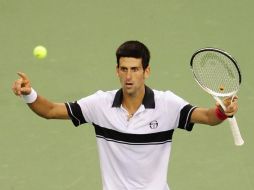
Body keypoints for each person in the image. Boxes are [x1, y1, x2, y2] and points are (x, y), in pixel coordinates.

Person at [12, 40, 238, 190]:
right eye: (124, 69)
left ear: (146, 72)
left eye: (135, 69)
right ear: (117, 70)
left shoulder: (167, 104)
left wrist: (222, 111)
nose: (129, 76)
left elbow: (208, 117)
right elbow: (50, 110)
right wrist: (29, 94)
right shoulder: (100, 104)